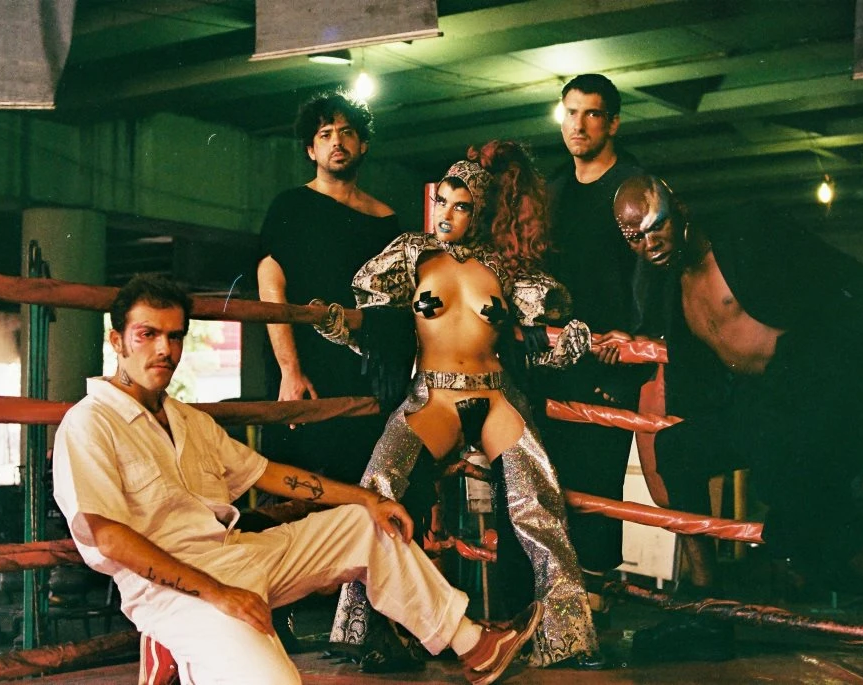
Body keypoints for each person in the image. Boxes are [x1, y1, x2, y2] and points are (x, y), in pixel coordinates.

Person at [52, 274, 542, 685]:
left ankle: (474, 646)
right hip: (176, 593)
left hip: (238, 555)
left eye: (175, 336)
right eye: (147, 334)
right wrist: (218, 593)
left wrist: (367, 500)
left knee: (365, 525)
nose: (164, 349)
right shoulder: (90, 423)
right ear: (116, 341)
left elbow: (269, 474)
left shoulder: (186, 420)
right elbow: (108, 536)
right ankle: (180, 646)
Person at [612, 176, 863, 684]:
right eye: (634, 236)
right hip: (766, 403)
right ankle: (707, 611)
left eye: (656, 226)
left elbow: (843, 268)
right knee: (678, 449)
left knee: (797, 499)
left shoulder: (746, 230)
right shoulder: (669, 283)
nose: (649, 243)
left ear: (680, 209)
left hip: (830, 389)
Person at [314, 142, 601, 669]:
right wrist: (338, 328)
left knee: (537, 500)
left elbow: (535, 345)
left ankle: (567, 638)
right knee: (379, 488)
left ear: (480, 213)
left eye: (461, 205)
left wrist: (568, 344)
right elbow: (378, 333)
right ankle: (366, 630)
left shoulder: (505, 267)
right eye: (441, 201)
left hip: (494, 393)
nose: (446, 214)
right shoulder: (410, 255)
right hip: (434, 396)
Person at [535, 73, 654, 617]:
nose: (578, 125)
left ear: (613, 123)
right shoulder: (552, 190)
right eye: (570, 112)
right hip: (553, 359)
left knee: (599, 481)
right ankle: (553, 600)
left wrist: (635, 338)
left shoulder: (634, 186)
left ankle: (595, 605)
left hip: (610, 361)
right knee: (550, 479)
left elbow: (656, 267)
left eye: (591, 114)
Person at [257, 89, 399, 485]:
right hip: (305, 365)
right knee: (298, 486)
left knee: (364, 483)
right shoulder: (291, 206)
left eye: (346, 132)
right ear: (311, 149)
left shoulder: (386, 219)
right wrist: (290, 370)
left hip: (365, 373)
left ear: (363, 144)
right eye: (325, 134)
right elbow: (270, 281)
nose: (337, 141)